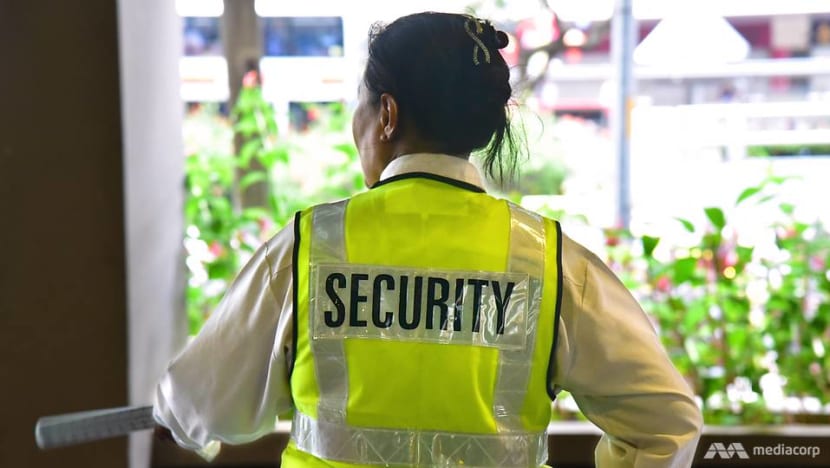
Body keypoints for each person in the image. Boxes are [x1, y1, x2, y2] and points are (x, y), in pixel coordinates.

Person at [153, 11, 703, 468]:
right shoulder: (549, 261)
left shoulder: (311, 248)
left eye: (361, 105)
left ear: (387, 115)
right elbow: (667, 424)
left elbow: (196, 405)